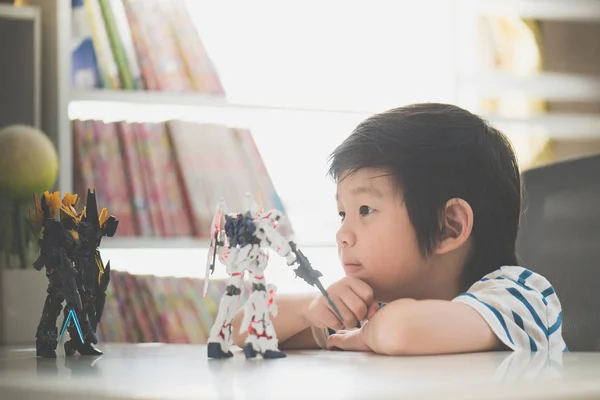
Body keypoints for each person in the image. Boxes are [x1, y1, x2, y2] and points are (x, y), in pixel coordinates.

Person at [232, 103, 567, 355]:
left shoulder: (519, 298)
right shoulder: (381, 307)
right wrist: (313, 308)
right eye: (341, 213)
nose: (342, 235)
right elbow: (239, 328)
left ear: (447, 227)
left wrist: (362, 334)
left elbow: (400, 332)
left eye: (365, 210)